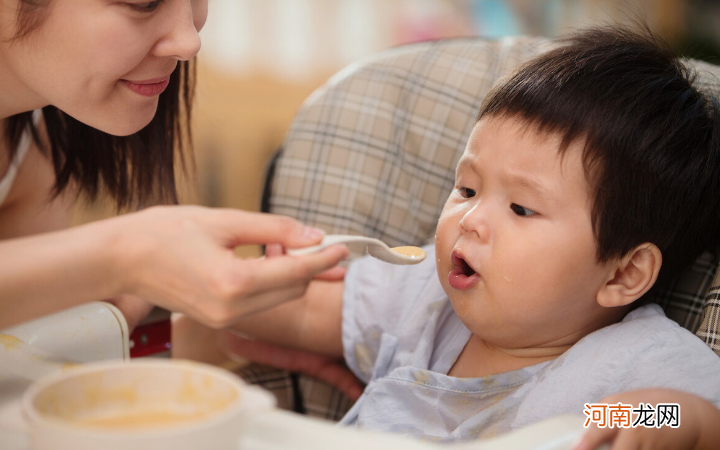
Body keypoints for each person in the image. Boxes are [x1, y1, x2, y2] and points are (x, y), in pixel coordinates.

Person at [222, 25, 720, 445]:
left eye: (521, 208)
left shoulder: (629, 367)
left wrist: (659, 418)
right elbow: (303, 311)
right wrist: (235, 287)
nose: (471, 219)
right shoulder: (425, 299)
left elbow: (698, 420)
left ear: (624, 273)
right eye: (466, 188)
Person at [0, 0, 348, 333]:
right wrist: (124, 257)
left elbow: (22, 348)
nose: (189, 42)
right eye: (145, 3)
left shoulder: (34, 139)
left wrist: (223, 336)